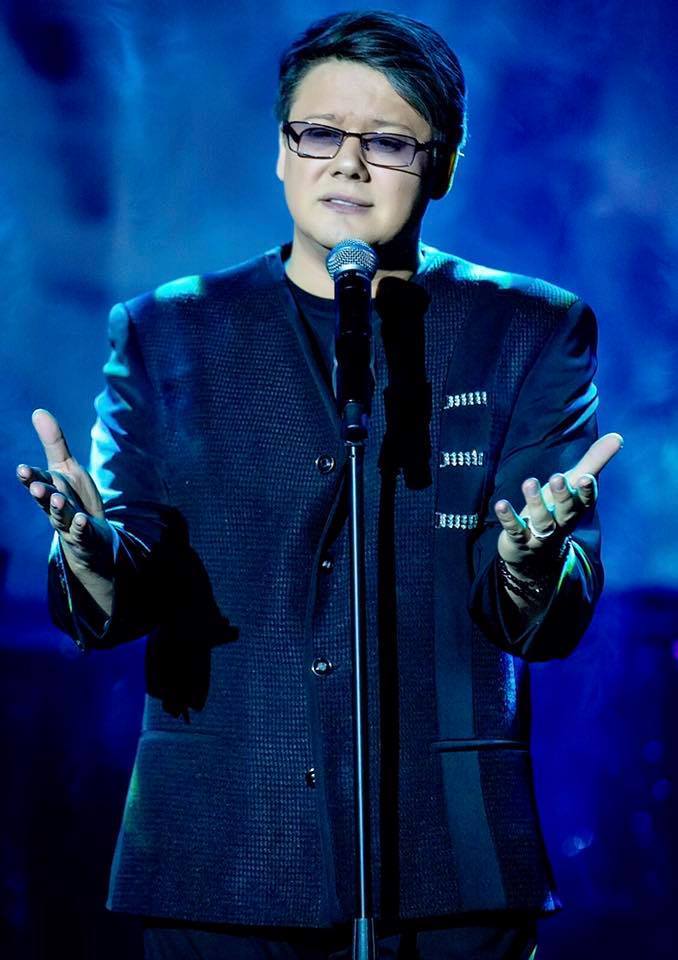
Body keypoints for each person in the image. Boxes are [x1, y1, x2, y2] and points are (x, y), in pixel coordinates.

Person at [17, 11, 622, 960]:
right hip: (220, 854)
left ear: (442, 165)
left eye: (387, 142)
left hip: (450, 866)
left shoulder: (528, 330)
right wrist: (90, 552)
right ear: (281, 150)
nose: (348, 164)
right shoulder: (168, 332)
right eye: (318, 133)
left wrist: (528, 560)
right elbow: (123, 587)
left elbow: (541, 616)